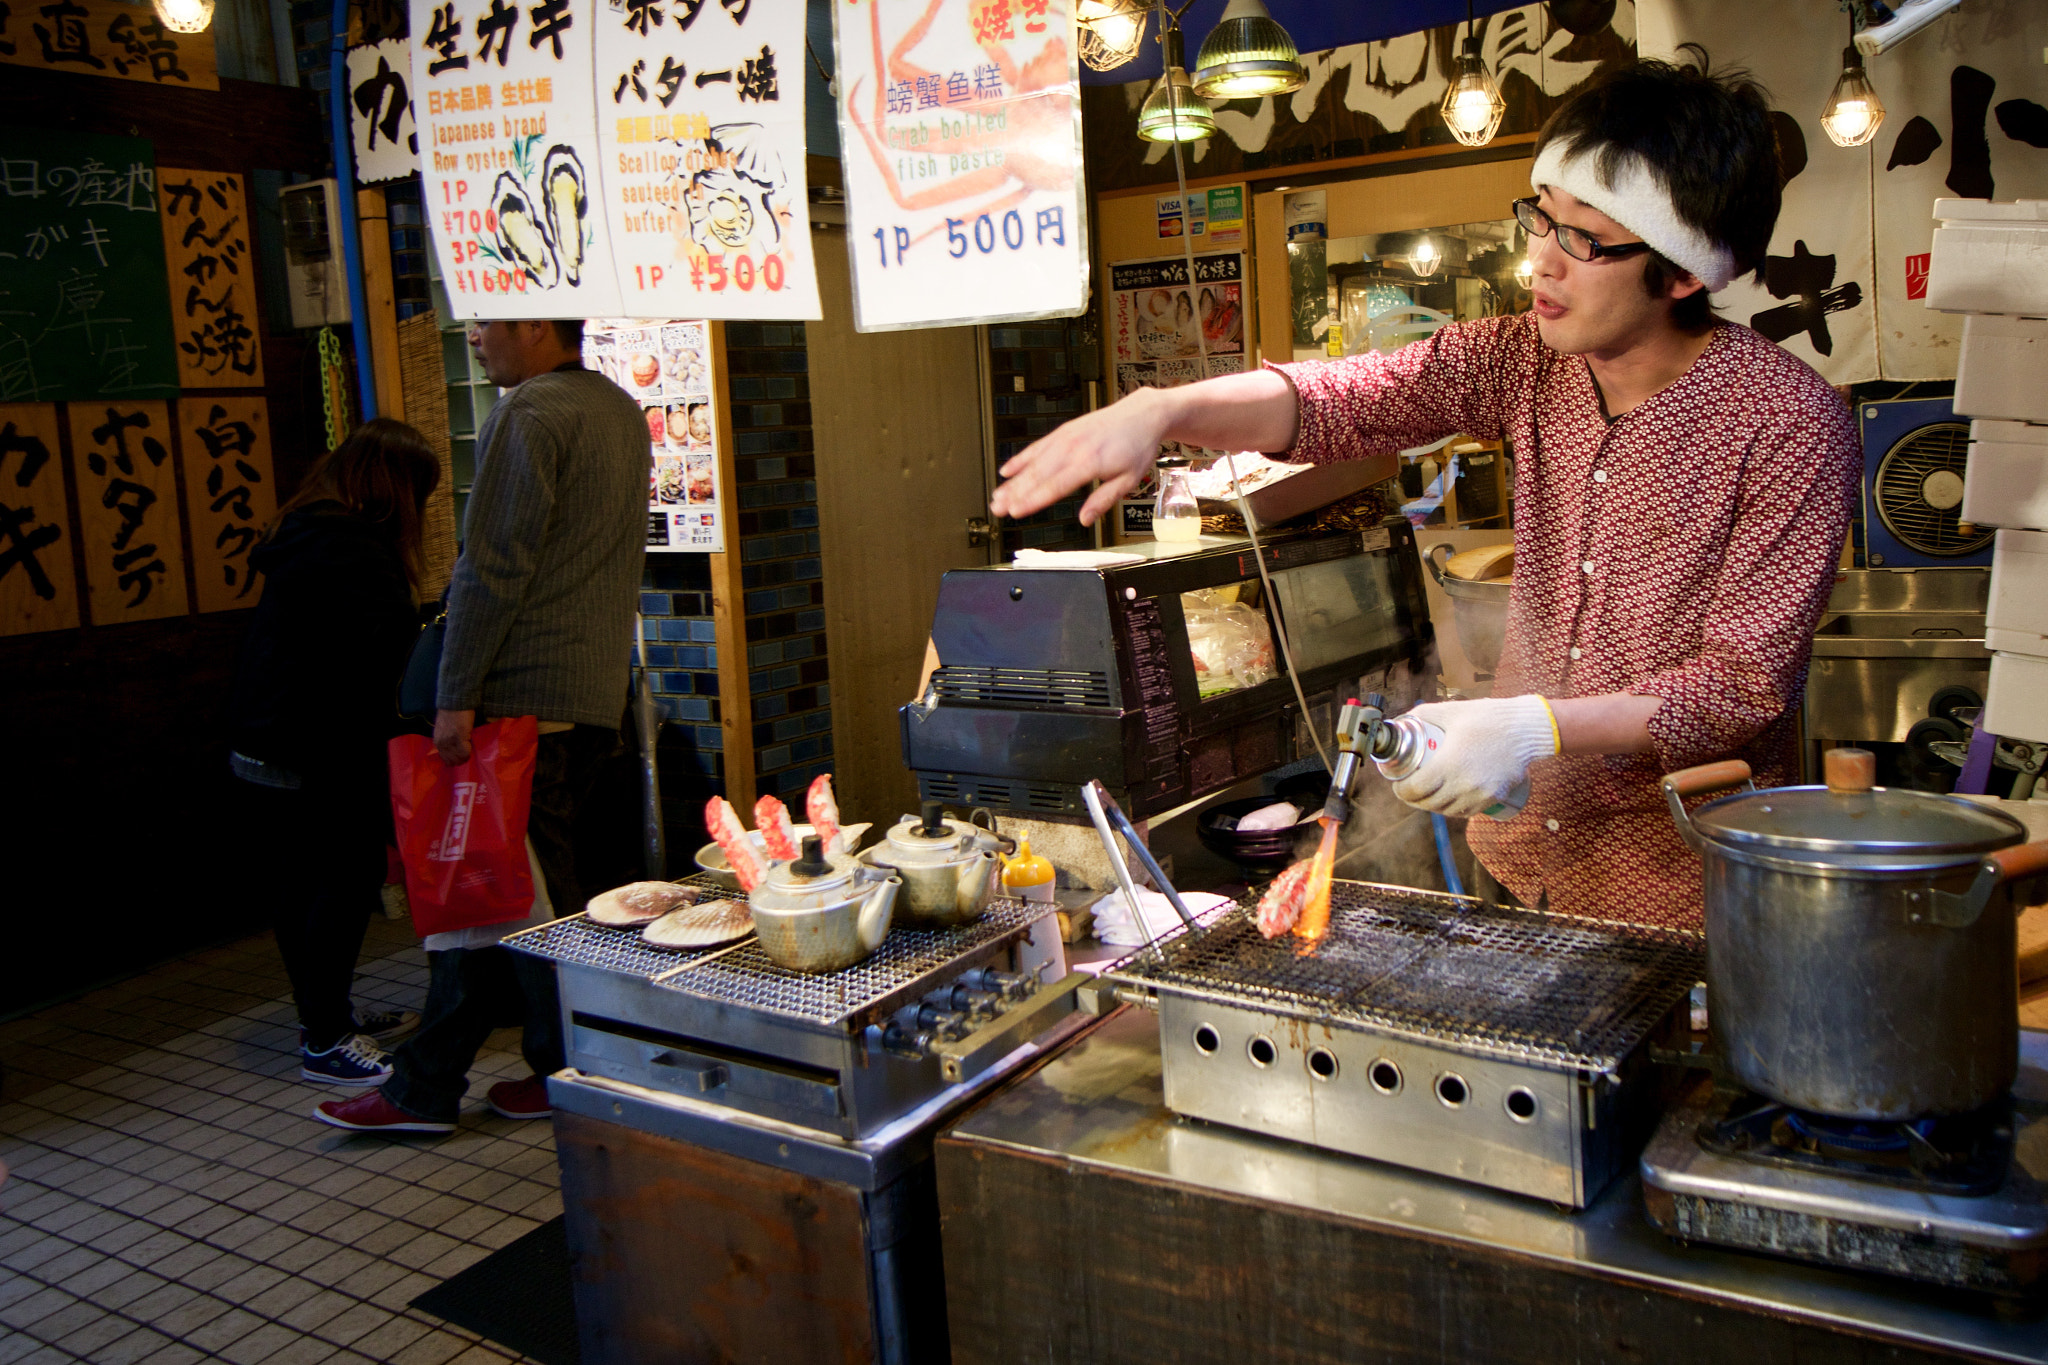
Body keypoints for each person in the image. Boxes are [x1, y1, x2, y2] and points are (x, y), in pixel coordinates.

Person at [988, 49, 1861, 930]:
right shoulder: (1520, 357)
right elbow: (1348, 399)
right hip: (1524, 854)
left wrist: (1535, 727)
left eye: (1584, 239)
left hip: (1687, 884)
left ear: (1682, 272)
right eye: (1540, 218)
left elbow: (1740, 688)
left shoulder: (1789, 422)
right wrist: (1166, 406)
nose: (1541, 264)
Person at [316, 317, 651, 1134]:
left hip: (523, 702)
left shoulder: (530, 413)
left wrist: (455, 695)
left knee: (516, 903)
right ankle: (527, 1070)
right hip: (589, 691)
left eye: (486, 321)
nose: (473, 336)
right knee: (520, 899)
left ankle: (473, 1081)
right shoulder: (618, 409)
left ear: (536, 323)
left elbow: (492, 565)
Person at [227, 418, 440, 1083]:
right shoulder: (349, 550)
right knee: (336, 890)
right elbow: (384, 658)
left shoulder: (309, 531)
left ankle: (327, 1015)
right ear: (395, 488)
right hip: (310, 751)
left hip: (267, 742)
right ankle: (325, 1038)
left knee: (303, 892)